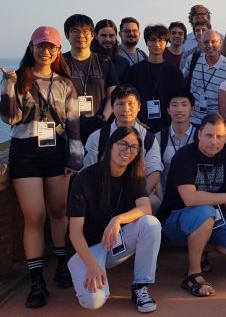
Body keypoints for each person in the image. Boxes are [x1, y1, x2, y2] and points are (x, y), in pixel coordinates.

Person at [0, 26, 84, 307]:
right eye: (40, 46)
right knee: (34, 216)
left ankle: (62, 265)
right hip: (25, 151)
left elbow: (73, 124)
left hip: (57, 151)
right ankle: (36, 282)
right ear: (31, 48)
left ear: (58, 51)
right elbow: (9, 119)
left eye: (51, 47)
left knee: (59, 212)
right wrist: (7, 87)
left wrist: (75, 157)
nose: (45, 51)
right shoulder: (19, 78)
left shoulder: (65, 83)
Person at [158, 115, 226, 297]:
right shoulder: (184, 156)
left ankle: (200, 249)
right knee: (205, 212)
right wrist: (225, 197)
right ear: (199, 134)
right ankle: (193, 274)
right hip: (176, 220)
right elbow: (190, 198)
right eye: (209, 135)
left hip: (210, 220)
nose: (214, 141)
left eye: (219, 137)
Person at [66, 126, 161, 312]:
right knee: (93, 302)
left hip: (112, 244)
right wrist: (92, 265)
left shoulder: (134, 176)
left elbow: (145, 207)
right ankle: (90, 273)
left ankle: (140, 286)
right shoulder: (85, 178)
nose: (128, 150)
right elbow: (74, 233)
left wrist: (118, 219)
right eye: (123, 144)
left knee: (151, 224)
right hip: (85, 249)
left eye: (133, 147)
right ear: (111, 146)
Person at [83, 85, 164, 210]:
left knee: (154, 207)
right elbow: (87, 171)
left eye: (131, 104)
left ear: (139, 107)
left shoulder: (149, 138)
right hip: (102, 193)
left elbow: (154, 172)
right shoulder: (97, 137)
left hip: (136, 194)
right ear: (112, 107)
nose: (126, 109)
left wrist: (135, 198)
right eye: (120, 104)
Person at [62, 14, 118, 143]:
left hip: (99, 125)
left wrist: (104, 117)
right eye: (75, 31)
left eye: (85, 31)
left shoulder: (104, 61)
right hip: (68, 126)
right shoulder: (60, 63)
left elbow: (113, 95)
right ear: (67, 35)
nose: (81, 36)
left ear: (93, 35)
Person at [122, 24, 187, 134]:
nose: (157, 44)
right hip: (140, 126)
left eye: (161, 40)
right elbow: (125, 97)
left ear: (166, 43)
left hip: (168, 127)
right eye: (152, 40)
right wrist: (134, 120)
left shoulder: (174, 72)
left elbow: (181, 99)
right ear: (146, 42)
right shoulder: (134, 71)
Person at [182, 30, 226, 126]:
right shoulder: (193, 59)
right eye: (206, 42)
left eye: (213, 42)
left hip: (215, 122)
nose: (210, 45)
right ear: (201, 44)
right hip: (192, 120)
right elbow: (181, 79)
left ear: (220, 43)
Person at [157, 89, 197, 192]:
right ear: (168, 110)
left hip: (195, 196)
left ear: (192, 110)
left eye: (184, 105)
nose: (179, 109)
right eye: (174, 105)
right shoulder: (158, 138)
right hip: (166, 195)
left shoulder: (200, 136)